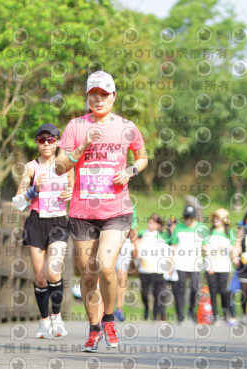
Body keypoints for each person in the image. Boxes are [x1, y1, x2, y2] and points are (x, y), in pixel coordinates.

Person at [55, 70, 148, 352]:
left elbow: (142, 157)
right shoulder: (75, 126)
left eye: (104, 95)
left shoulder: (126, 127)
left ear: (113, 97)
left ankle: (108, 319)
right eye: (93, 95)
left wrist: (131, 170)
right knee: (88, 273)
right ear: (87, 97)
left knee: (107, 267)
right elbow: (59, 166)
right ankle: (94, 328)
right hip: (83, 212)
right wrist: (82, 146)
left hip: (116, 209)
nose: (99, 100)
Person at [13, 123, 74, 338]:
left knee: (54, 272)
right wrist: (33, 189)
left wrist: (71, 195)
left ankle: (57, 317)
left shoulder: (67, 166)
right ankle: (44, 321)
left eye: (51, 139)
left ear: (58, 142)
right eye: (42, 139)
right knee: (40, 277)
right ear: (37, 143)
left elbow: (76, 192)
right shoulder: (30, 167)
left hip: (58, 221)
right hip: (36, 222)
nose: (46, 143)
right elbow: (18, 202)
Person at [170, 205, 209, 324]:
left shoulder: (202, 228)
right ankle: (180, 315)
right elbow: (174, 246)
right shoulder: (178, 228)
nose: (188, 219)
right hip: (180, 262)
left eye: (191, 217)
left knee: (195, 288)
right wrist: (170, 262)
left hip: (195, 263)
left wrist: (209, 260)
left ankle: (191, 310)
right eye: (186, 217)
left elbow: (205, 246)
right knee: (179, 289)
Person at [204, 208, 237, 325]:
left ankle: (227, 313)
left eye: (218, 218)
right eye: (214, 218)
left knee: (223, 291)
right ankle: (214, 315)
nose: (216, 220)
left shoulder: (230, 234)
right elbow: (205, 247)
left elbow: (235, 248)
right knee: (212, 291)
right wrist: (210, 264)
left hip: (224, 266)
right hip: (211, 266)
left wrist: (228, 247)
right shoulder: (209, 232)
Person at [136, 214, 171, 321]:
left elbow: (168, 251)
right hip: (144, 268)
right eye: (150, 222)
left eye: (153, 222)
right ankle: (146, 308)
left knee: (157, 293)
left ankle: (156, 315)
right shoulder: (142, 233)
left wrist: (169, 265)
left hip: (157, 269)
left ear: (158, 225)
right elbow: (136, 245)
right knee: (144, 293)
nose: (150, 224)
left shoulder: (163, 236)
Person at [114, 204, 139, 321]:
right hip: (107, 241)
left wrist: (135, 245)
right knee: (105, 275)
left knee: (122, 277)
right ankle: (103, 309)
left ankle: (119, 309)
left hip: (125, 243)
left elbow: (133, 226)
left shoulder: (130, 205)